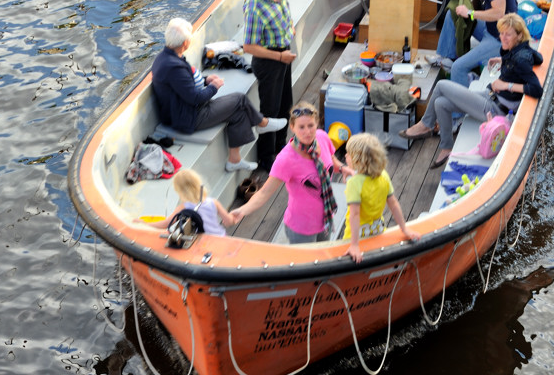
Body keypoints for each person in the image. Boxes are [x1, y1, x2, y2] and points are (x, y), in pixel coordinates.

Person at [399, 13, 542, 168]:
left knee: (441, 85)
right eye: (501, 33)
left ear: (519, 35)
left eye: (508, 34)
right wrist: (503, 60)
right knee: (441, 103)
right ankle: (446, 147)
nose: (503, 37)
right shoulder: (518, 50)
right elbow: (538, 57)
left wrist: (505, 86)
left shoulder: (521, 58)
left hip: (495, 109)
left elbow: (536, 89)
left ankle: (426, 124)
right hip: (490, 96)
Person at [152, 18, 287, 172]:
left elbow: (183, 85)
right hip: (190, 117)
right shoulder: (174, 67)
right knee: (239, 99)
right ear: (185, 43)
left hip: (186, 110)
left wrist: (205, 79)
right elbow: (195, 97)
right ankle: (262, 123)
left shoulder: (166, 58)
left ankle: (234, 160)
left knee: (239, 112)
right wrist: (213, 87)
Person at [230, 102, 348, 244]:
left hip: (325, 219)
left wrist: (342, 168)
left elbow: (331, 159)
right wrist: (242, 210)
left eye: (311, 125)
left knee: (323, 257)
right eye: (301, 127)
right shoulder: (286, 159)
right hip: (302, 228)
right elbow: (264, 193)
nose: (307, 132)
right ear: (292, 127)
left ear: (317, 123)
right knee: (306, 265)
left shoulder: (322, 137)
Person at [242, 0, 295, 172]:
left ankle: (281, 146)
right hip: (269, 61)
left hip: (284, 53)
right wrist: (279, 56)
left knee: (285, 104)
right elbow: (249, 47)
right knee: (270, 110)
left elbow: (286, 11)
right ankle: (266, 157)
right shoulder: (254, 8)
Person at [342, 133, 420, 263]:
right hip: (377, 229)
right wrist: (404, 228)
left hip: (356, 235)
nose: (345, 156)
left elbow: (355, 215)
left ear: (357, 160)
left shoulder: (354, 183)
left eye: (348, 154)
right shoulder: (383, 175)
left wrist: (354, 245)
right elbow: (393, 204)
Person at [140, 168, 235, 235]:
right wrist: (232, 217)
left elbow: (166, 224)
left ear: (180, 191)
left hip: (202, 242)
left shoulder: (184, 207)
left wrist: (144, 224)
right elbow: (229, 221)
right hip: (220, 237)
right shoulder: (213, 202)